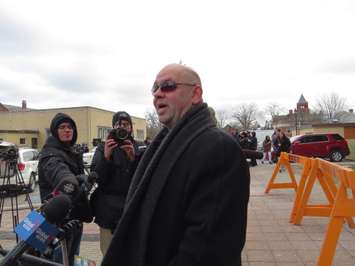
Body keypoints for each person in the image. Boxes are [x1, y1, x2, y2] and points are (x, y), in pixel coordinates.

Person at [102, 64, 250, 266]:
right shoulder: (164, 146)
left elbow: (207, 250)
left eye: (168, 86)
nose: (157, 94)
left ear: (195, 94)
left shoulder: (218, 149)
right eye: (154, 88)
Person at [38, 113, 92, 266]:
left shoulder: (71, 151)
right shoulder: (50, 154)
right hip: (56, 223)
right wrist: (71, 180)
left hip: (73, 219)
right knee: (59, 261)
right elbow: (60, 173)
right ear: (55, 131)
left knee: (73, 259)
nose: (67, 130)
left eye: (70, 127)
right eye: (62, 127)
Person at [90, 111, 142, 256]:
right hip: (108, 213)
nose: (122, 128)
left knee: (131, 254)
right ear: (113, 128)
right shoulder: (103, 147)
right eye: (119, 125)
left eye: (126, 124)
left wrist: (133, 159)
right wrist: (106, 157)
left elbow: (143, 180)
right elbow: (97, 178)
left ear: (131, 128)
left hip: (131, 209)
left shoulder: (138, 147)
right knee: (109, 254)